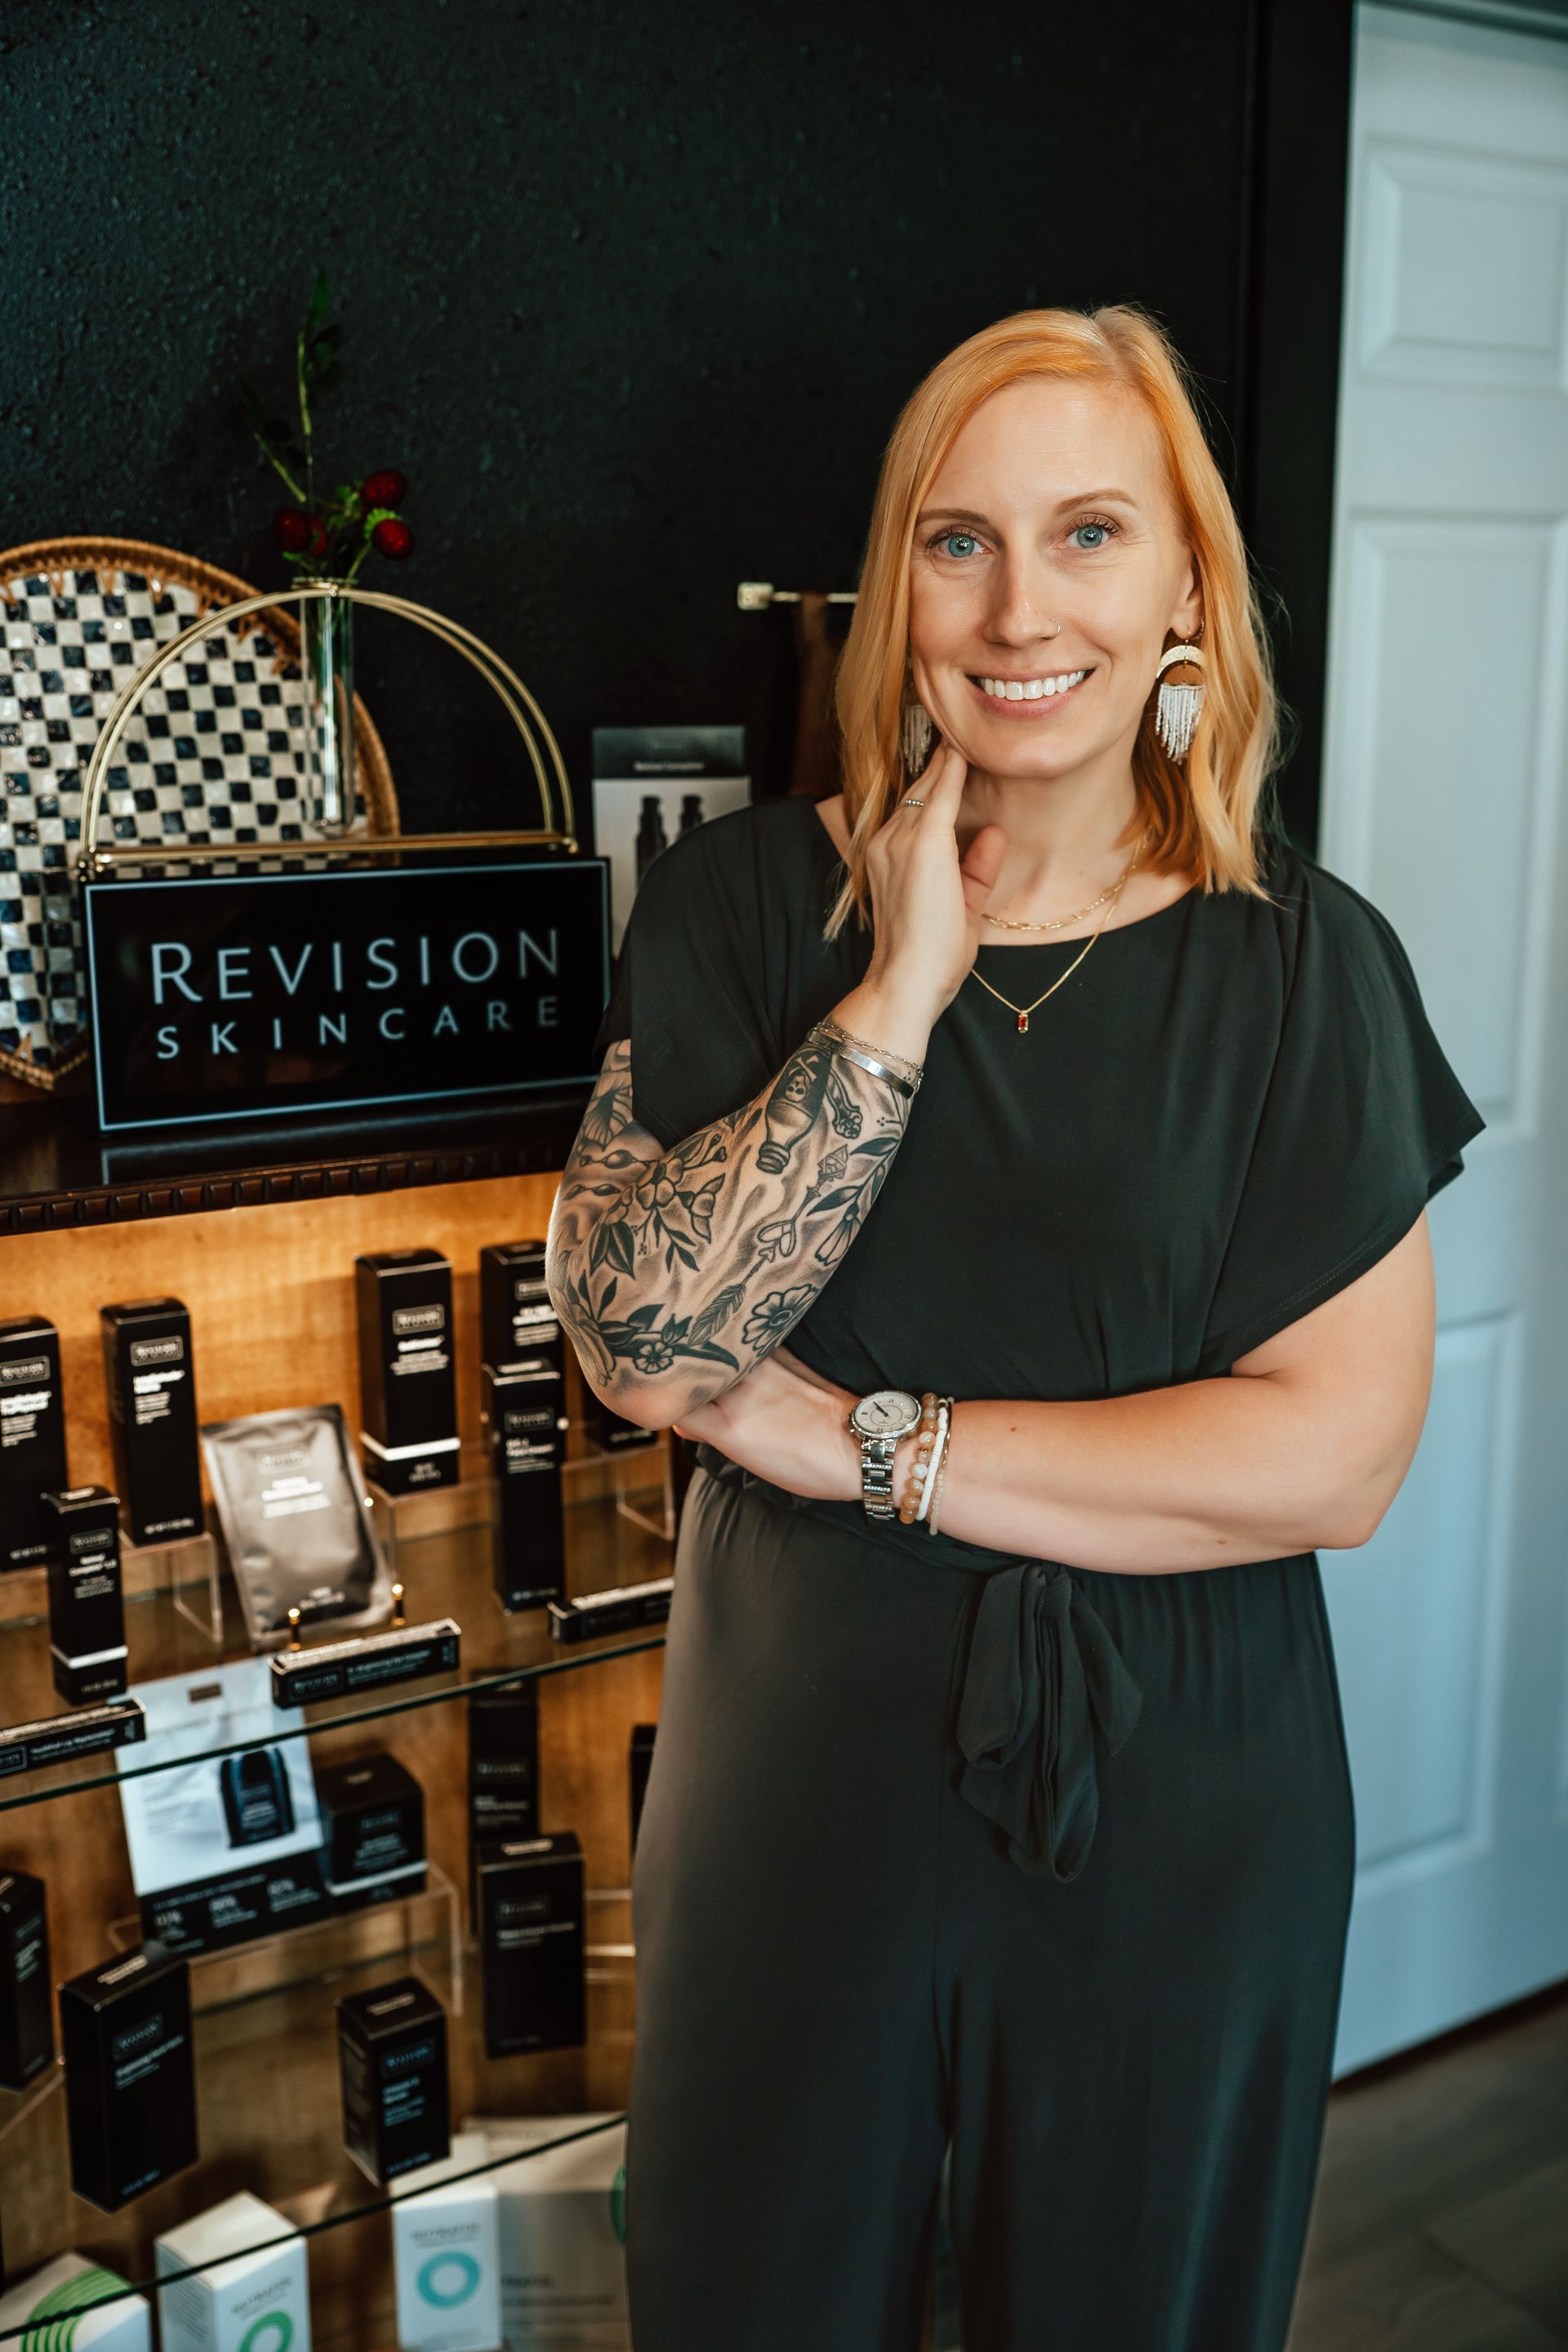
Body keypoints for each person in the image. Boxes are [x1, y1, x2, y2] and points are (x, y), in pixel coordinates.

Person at [544, 305, 1485, 2352]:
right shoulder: (739, 910)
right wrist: (897, 991)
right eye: (957, 541)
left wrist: (865, 1440)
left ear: (1183, 595)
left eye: (1087, 533)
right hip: (798, 1785)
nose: (1017, 602)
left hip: (1183, 1809)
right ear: (896, 589)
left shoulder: (1303, 971)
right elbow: (631, 1340)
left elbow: (1331, 1457)